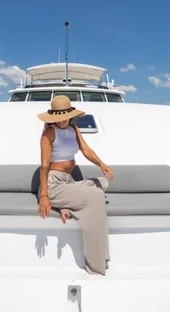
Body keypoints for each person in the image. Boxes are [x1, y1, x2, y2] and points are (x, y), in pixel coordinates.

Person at [37, 95, 115, 275]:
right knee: (96, 196)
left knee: (102, 182)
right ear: (54, 117)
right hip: (54, 184)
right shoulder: (49, 133)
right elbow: (44, 165)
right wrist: (44, 196)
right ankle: (96, 263)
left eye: (66, 116)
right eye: (59, 117)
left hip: (69, 182)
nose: (63, 120)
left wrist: (101, 164)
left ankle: (68, 207)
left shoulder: (74, 129)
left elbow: (86, 150)